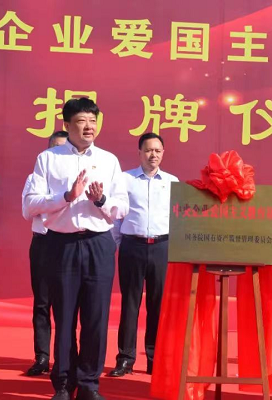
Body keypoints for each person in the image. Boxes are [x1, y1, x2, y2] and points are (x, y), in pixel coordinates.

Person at [23, 98, 129, 400]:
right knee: (65, 316)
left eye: (93, 121)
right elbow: (31, 204)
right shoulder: (48, 159)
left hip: (98, 244)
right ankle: (63, 384)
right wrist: (67, 196)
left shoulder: (109, 160)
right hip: (62, 244)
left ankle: (89, 384)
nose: (89, 127)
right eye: (82, 121)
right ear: (67, 124)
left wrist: (100, 201)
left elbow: (122, 207)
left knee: (96, 318)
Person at [109, 132, 178, 377]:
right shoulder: (125, 179)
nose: (153, 155)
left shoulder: (172, 182)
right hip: (132, 247)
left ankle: (154, 359)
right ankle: (125, 359)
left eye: (157, 151)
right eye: (148, 150)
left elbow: (176, 218)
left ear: (163, 153)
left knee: (158, 305)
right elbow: (116, 218)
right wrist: (120, 244)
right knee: (130, 304)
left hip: (161, 247)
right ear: (139, 152)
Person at [21, 130, 68, 376]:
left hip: (68, 244)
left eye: (64, 148)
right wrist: (58, 200)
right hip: (43, 242)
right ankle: (41, 356)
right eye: (55, 148)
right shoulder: (34, 177)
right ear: (48, 150)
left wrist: (46, 203)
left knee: (66, 303)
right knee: (42, 302)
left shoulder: (76, 177)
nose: (60, 153)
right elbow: (28, 210)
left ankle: (64, 357)